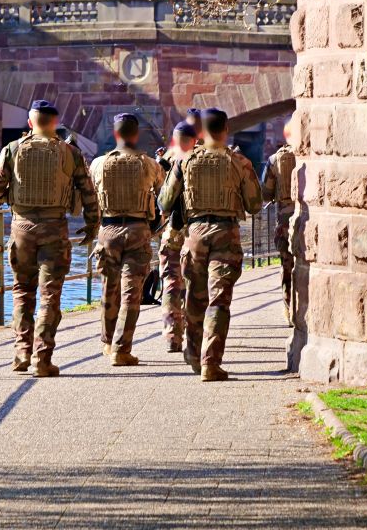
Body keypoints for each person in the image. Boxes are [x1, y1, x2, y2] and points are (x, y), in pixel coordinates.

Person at [0, 100, 99, 377]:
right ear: (55, 123)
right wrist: (92, 224)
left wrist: (3, 192)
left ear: (30, 123)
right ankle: (42, 358)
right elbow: (88, 192)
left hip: (21, 229)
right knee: (50, 294)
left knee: (22, 291)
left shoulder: (12, 149)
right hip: (55, 229)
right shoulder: (70, 153)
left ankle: (21, 353)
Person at [159, 108, 263, 381]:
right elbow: (254, 205)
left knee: (195, 297)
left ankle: (194, 356)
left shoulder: (184, 161)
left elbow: (165, 202)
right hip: (226, 234)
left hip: (194, 235)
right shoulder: (239, 162)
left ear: (202, 132)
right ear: (226, 130)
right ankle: (211, 363)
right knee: (218, 300)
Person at [89, 114, 165, 366]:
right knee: (132, 293)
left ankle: (107, 342)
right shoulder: (150, 164)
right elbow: (164, 196)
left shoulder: (98, 164)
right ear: (136, 134)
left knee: (109, 289)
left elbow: (89, 198)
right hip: (138, 230)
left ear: (115, 134)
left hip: (108, 231)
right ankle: (122, 349)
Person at [155, 120, 198, 353]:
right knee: (196, 283)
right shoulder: (203, 160)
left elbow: (164, 202)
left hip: (174, 232)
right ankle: (196, 335)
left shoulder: (174, 162)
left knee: (171, 283)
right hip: (198, 232)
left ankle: (173, 336)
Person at [261, 136, 296, 324]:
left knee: (286, 265)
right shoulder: (311, 156)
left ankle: (289, 310)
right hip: (309, 220)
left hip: (285, 220)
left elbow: (265, 193)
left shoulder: (275, 159)